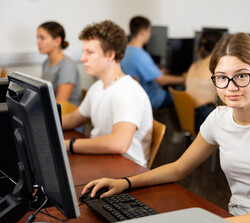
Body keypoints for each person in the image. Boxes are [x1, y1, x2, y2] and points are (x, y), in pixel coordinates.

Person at [83, 33, 250, 223]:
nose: (231, 87)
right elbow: (179, 168)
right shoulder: (219, 118)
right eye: (221, 77)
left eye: (241, 76)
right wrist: (126, 182)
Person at [61, 20, 153, 168]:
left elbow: (119, 144)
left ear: (110, 55)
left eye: (89, 52)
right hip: (102, 159)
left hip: (125, 170)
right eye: (83, 52)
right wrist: (41, 121)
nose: (82, 58)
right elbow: (74, 118)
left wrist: (69, 145)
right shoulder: (98, 87)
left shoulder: (128, 91)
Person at [121, 16, 184, 111]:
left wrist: (157, 71)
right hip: (151, 99)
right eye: (149, 32)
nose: (150, 35)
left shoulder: (125, 51)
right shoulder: (140, 55)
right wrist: (185, 80)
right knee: (183, 94)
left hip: (132, 99)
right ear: (142, 32)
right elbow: (162, 80)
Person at [185, 30, 222, 133]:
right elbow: (237, 90)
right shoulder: (215, 65)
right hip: (204, 117)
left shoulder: (194, 65)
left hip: (192, 116)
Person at [37, 21, 81, 106]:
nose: (38, 42)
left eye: (42, 38)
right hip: (52, 110)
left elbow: (60, 103)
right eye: (37, 38)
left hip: (66, 115)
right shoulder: (46, 63)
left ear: (57, 41)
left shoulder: (68, 66)